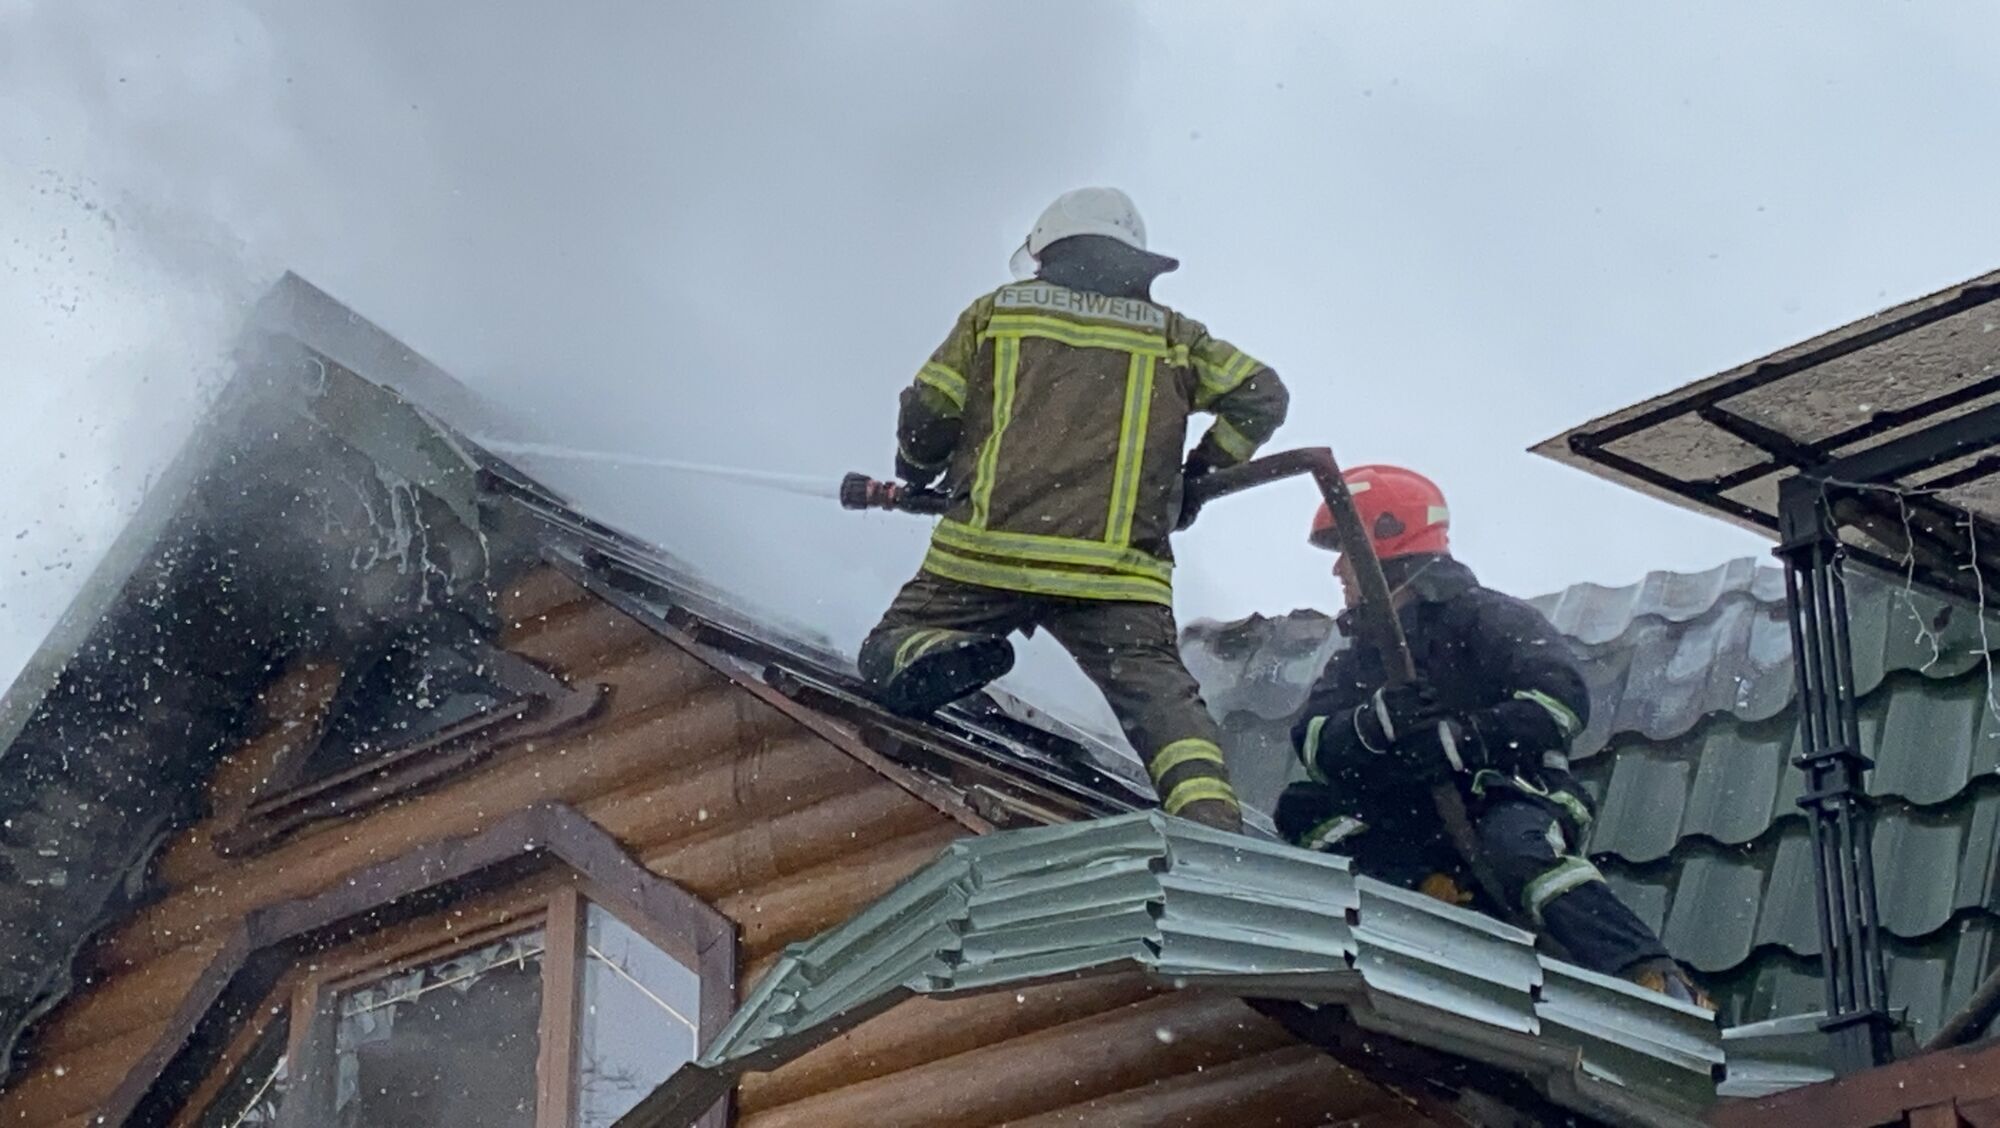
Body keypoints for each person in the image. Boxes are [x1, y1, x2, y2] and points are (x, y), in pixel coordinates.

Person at [858, 187, 1289, 832]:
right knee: (1164, 708)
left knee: (887, 647)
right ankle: (1210, 821)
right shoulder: (1175, 336)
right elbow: (1262, 394)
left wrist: (917, 473)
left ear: (1047, 248)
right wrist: (1197, 475)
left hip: (983, 556)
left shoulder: (996, 314)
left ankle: (942, 650)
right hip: (1116, 576)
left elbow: (928, 409)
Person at [1273, 464, 1710, 1005]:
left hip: (1518, 793)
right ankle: (1437, 894)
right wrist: (1376, 722)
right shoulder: (1358, 658)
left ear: (1385, 544)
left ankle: (1651, 973)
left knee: (1517, 852)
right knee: (1302, 808)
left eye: (1345, 550)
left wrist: (1461, 740)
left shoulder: (1486, 618)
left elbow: (1560, 702)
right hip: (1417, 814)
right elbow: (1314, 745)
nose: (1339, 569)